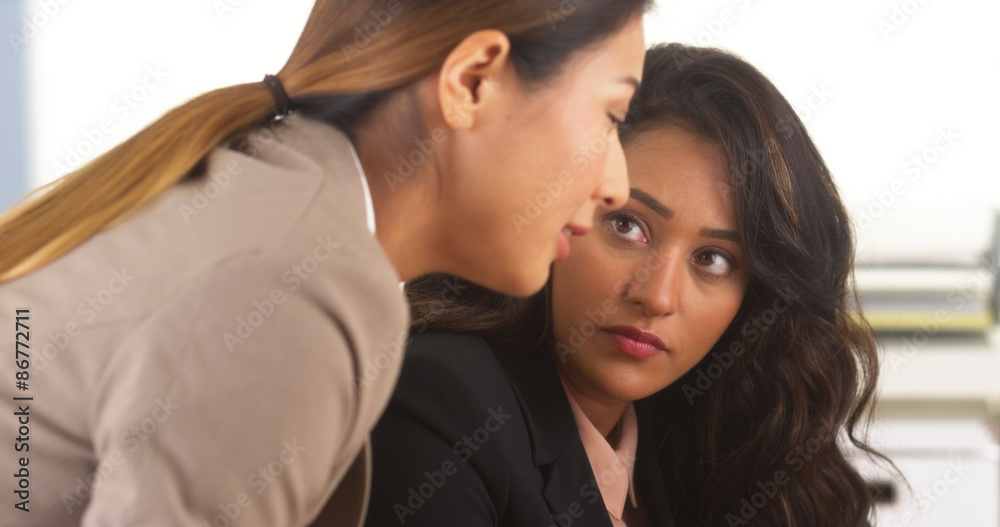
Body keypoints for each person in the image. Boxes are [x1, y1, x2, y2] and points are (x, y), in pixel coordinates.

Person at [0, 1, 651, 525]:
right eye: (611, 114)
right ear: (473, 81)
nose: (616, 181)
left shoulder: (272, 187)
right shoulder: (302, 284)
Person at [365, 43, 885, 527]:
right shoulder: (440, 400)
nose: (656, 297)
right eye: (629, 227)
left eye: (714, 259)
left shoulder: (701, 435)